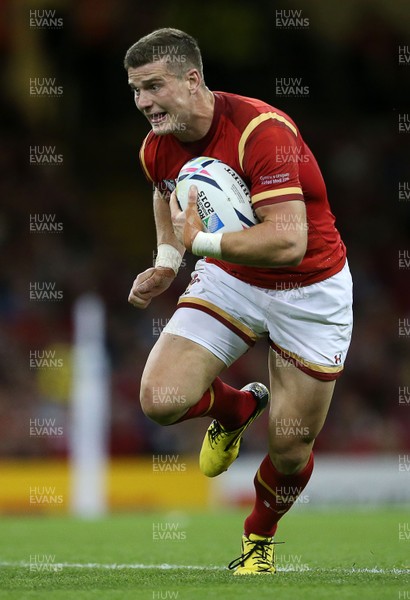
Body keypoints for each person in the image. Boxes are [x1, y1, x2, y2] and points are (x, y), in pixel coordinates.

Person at [124, 28, 353, 575]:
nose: (143, 103)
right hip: (231, 278)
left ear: (192, 78)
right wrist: (167, 263)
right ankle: (234, 407)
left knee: (291, 448)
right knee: (160, 399)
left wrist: (196, 244)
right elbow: (168, 197)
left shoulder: (262, 132)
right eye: (135, 90)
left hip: (310, 290)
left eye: (154, 86)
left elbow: (288, 241)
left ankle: (259, 537)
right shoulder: (158, 145)